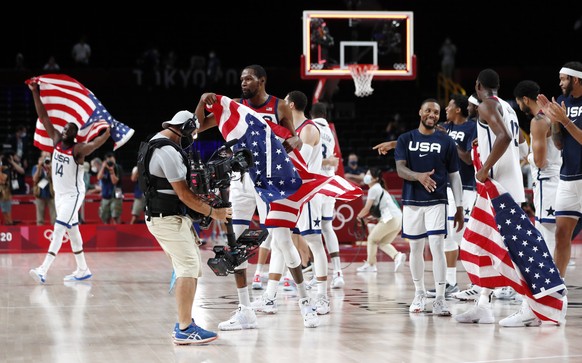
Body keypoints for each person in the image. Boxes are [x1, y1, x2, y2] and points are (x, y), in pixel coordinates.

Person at [195, 64, 319, 330]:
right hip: (241, 181)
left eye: (248, 78)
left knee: (284, 242)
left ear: (262, 81)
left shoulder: (279, 107)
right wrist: (201, 100)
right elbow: (198, 127)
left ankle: (306, 302)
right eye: (241, 78)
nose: (243, 82)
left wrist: (295, 142)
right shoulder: (235, 108)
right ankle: (245, 309)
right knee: (236, 245)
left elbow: (295, 138)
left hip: (270, 180)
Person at [454, 68, 540, 327]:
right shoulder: (508, 107)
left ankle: (530, 307)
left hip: (498, 188)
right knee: (480, 245)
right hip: (500, 187)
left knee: (511, 250)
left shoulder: (486, 106)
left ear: (478, 85)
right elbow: (515, 144)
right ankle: (483, 304)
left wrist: (483, 168)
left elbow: (502, 138)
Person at [142, 110, 230, 345]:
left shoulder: (156, 141)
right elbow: (183, 194)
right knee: (188, 268)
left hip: (166, 217)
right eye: (191, 131)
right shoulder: (167, 151)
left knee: (187, 267)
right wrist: (214, 212)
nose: (193, 136)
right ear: (182, 129)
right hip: (166, 219)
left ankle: (184, 321)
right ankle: (184, 328)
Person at [27, 79, 110, 284]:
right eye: (65, 127)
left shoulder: (78, 150)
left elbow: (95, 144)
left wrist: (107, 133)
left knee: (58, 228)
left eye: (70, 129)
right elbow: (43, 115)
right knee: (73, 232)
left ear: (75, 135)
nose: (65, 129)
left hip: (74, 194)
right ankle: (82, 268)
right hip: (60, 195)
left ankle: (43, 269)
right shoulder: (56, 140)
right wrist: (35, 91)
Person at [394, 98, 464, 316]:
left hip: (438, 201)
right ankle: (419, 293)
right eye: (428, 111)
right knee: (415, 249)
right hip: (413, 201)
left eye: (435, 112)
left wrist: (459, 207)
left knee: (437, 247)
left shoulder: (447, 141)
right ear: (420, 112)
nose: (432, 115)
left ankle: (441, 299)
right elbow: (400, 169)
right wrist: (419, 177)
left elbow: (454, 175)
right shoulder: (405, 139)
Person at [426, 94, 476, 298]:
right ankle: (450, 282)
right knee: (447, 236)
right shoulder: (446, 127)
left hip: (466, 187)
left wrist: (450, 143)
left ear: (458, 109)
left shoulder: (471, 127)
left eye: (449, 106)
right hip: (446, 186)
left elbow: (469, 159)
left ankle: (478, 283)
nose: (446, 108)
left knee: (464, 236)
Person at [536, 61, 582, 280]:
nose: (560, 82)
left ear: (575, 79)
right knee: (562, 234)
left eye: (563, 78)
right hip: (567, 179)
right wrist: (554, 122)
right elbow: (559, 144)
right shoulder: (562, 101)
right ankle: (558, 287)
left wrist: (565, 120)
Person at [285, 90, 330, 315]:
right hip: (295, 192)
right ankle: (275, 291)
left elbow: (300, 163)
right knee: (282, 240)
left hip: (309, 192)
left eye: (284, 102)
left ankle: (323, 296)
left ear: (291, 105)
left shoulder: (309, 129)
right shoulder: (294, 130)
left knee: (315, 242)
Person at [514, 80, 561, 258]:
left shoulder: (538, 121)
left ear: (525, 99)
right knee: (555, 234)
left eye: (518, 102)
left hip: (546, 181)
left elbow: (540, 161)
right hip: (558, 178)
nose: (519, 107)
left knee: (546, 234)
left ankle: (550, 281)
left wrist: (528, 157)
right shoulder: (552, 115)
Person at [311, 102, 345, 288]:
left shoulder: (310, 128)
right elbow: (332, 161)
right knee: (327, 226)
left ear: (311, 114)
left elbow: (311, 159)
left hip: (315, 184)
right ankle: (338, 273)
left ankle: (319, 274)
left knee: (313, 230)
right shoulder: (330, 133)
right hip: (329, 183)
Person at [355, 167, 406, 273]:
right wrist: (369, 218)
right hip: (398, 219)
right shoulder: (380, 189)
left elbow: (366, 208)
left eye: (369, 174)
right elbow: (382, 210)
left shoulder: (374, 189)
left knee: (372, 239)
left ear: (375, 179)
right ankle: (397, 256)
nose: (366, 176)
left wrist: (358, 217)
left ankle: (371, 265)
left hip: (391, 219)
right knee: (383, 242)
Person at [97, 151, 123, 224]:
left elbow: (114, 181)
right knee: (105, 217)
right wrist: (103, 167)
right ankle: (107, 232)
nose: (110, 162)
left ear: (114, 159)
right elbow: (99, 177)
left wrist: (111, 171)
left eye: (112, 160)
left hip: (117, 195)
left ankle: (118, 232)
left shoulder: (118, 168)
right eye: (108, 161)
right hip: (105, 195)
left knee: (115, 216)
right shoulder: (104, 169)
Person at [31, 151, 56, 226]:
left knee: (54, 217)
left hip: (51, 194)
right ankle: (39, 233)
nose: (46, 159)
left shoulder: (54, 167)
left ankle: (55, 234)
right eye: (44, 157)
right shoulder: (36, 167)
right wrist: (39, 167)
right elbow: (34, 179)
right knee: (40, 218)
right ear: (41, 158)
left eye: (47, 157)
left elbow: (55, 179)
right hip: (40, 193)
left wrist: (50, 169)